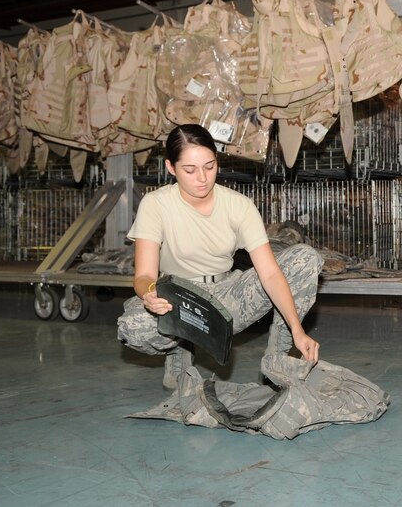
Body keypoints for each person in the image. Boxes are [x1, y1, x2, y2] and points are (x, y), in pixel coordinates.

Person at [117, 124, 323, 389]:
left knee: (305, 258)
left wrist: (298, 330)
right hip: (178, 298)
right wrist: (149, 294)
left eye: (210, 166)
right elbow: (144, 275)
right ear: (171, 168)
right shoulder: (155, 204)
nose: (202, 177)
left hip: (227, 294)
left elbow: (270, 273)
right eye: (189, 170)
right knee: (133, 327)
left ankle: (277, 359)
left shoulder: (239, 206)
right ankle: (179, 349)